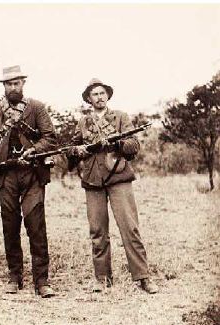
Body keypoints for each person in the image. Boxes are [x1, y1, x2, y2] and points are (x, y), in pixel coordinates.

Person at [68, 78, 158, 294]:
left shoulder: (121, 118)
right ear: (88, 99)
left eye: (102, 93)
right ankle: (102, 278)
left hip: (118, 177)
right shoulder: (83, 122)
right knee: (97, 231)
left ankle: (143, 277)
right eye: (94, 94)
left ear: (107, 96)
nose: (99, 97)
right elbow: (71, 148)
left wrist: (116, 143)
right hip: (93, 180)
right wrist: (77, 151)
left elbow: (133, 145)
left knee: (129, 228)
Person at [0, 66, 57, 298]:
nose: (13, 87)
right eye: (8, 84)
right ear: (3, 86)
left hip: (32, 173)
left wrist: (34, 150)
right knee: (9, 225)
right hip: (6, 174)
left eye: (16, 83)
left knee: (36, 225)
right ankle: (14, 277)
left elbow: (50, 138)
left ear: (23, 83)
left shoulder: (36, 107)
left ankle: (42, 280)